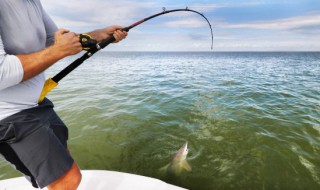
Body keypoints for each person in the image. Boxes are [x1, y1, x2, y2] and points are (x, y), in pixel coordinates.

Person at [0, 0, 127, 189]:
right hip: (9, 114)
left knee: (63, 161)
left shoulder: (32, 2)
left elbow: (54, 40)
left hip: (37, 103)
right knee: (68, 180)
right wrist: (59, 51)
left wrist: (99, 35)